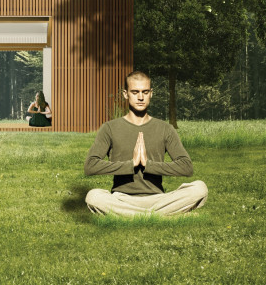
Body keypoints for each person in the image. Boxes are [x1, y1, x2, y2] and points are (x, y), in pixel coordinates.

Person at [84, 70, 207, 217]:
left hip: (157, 199)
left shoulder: (165, 129)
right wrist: (132, 164)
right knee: (93, 196)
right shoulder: (109, 128)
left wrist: (147, 165)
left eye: (145, 92)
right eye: (135, 92)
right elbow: (90, 166)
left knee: (200, 188)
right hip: (122, 199)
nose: (141, 97)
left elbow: (186, 167)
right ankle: (156, 215)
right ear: (125, 94)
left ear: (151, 93)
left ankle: (131, 216)